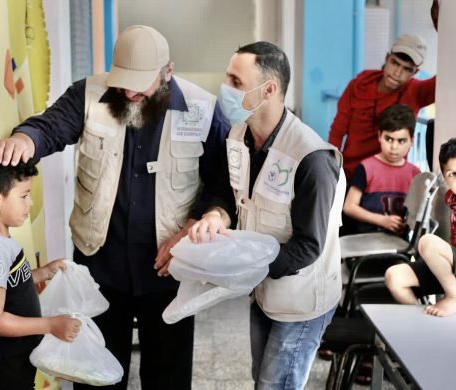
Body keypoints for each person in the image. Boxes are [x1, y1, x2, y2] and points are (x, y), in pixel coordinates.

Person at [0, 25, 230, 389]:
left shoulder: (203, 109)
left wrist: (204, 217)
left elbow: (223, 185)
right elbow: (50, 128)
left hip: (170, 271)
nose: (130, 92)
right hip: (100, 268)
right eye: (124, 82)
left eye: (141, 84)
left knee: (168, 378)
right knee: (96, 376)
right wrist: (26, 139)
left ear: (168, 72)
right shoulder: (88, 95)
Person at [187, 41, 346, 389]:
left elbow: (308, 246)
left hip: (301, 301)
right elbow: (230, 197)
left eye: (235, 81)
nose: (224, 88)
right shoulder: (239, 136)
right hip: (263, 291)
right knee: (262, 378)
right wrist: (217, 215)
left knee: (276, 384)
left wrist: (243, 267)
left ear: (269, 90)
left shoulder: (311, 159)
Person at [0, 150, 82, 390]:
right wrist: (50, 325)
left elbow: (8, 284)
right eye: (24, 196)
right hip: (4, 365)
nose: (30, 203)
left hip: (17, 355)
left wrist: (43, 272)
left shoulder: (1, 240)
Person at [328, 33, 435, 180]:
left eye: (407, 69)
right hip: (350, 173)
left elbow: (447, 77)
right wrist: (331, 165)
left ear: (415, 72)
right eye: (395, 63)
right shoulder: (359, 84)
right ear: (386, 58)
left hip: (388, 179)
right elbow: (338, 129)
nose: (398, 72)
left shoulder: (416, 92)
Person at [385, 138, 456, 317]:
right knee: (394, 277)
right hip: (453, 265)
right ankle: (425, 320)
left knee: (427, 242)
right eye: (452, 174)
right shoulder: (450, 197)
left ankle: (454, 296)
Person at [343, 104, 421, 235]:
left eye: (401, 141)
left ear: (411, 141)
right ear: (379, 136)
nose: (394, 147)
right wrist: (382, 220)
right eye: (389, 139)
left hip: (400, 244)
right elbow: (349, 207)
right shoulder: (366, 168)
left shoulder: (415, 174)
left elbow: (416, 213)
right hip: (366, 240)